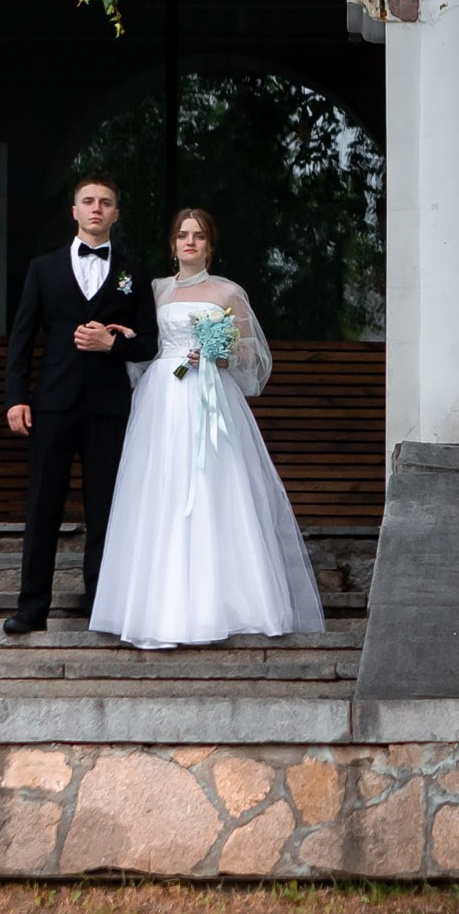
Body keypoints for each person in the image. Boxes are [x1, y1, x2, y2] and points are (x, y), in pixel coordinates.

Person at [91, 207, 326, 647]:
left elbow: (251, 356)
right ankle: (155, 609)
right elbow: (147, 345)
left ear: (210, 245)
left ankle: (225, 604)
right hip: (163, 397)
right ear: (173, 244)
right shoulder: (155, 290)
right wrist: (127, 340)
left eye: (198, 236)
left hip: (210, 398)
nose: (190, 242)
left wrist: (219, 355)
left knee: (215, 488)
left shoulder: (227, 292)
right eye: (183, 235)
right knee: (160, 488)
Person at [1, 177, 154, 634]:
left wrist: (113, 344)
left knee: (105, 509)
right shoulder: (43, 268)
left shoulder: (133, 273)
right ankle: (31, 608)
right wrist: (16, 398)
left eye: (105, 202)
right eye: (88, 201)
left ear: (116, 214)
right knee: (42, 505)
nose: (96, 208)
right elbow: (22, 338)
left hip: (109, 405)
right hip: (53, 402)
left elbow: (150, 343)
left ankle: (101, 605)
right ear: (75, 211)